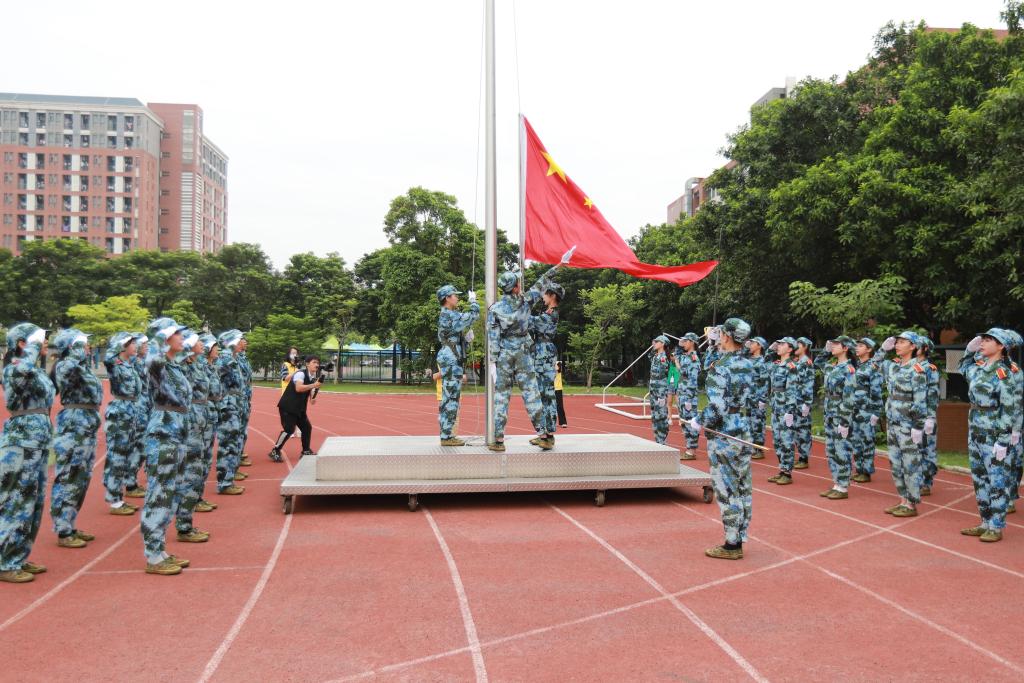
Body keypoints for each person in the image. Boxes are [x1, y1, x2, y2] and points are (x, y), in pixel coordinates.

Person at [487, 248, 572, 451]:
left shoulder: (495, 309)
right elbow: (543, 281)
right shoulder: (526, 301)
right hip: (524, 353)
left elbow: (493, 338)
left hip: (505, 353)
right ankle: (543, 433)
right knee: (532, 395)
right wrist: (559, 265)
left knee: (501, 396)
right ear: (515, 287)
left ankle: (498, 440)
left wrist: (493, 360)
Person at [687, 318, 754, 560]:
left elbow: (717, 407)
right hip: (742, 428)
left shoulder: (722, 367)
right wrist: (716, 346)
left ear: (726, 336)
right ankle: (741, 535)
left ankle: (732, 544)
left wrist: (699, 421)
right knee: (743, 486)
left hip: (724, 432)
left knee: (726, 488)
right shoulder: (747, 363)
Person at [0, 324, 54, 584]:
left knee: (32, 502)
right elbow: (23, 370)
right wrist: (31, 346)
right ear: (23, 344)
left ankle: (18, 554)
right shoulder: (14, 369)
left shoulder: (35, 372)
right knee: (16, 502)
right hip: (21, 443)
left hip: (38, 442)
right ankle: (5, 562)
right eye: (40, 341)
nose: (45, 344)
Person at [958, 328, 1022, 542]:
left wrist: (1004, 440)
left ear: (1001, 346)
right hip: (976, 431)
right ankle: (985, 521)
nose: (982, 343)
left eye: (988, 340)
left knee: (997, 480)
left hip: (995, 432)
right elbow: (963, 367)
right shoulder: (979, 368)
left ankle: (996, 526)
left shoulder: (1004, 373)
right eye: (982, 339)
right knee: (979, 479)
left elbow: (1010, 408)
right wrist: (969, 350)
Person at [139, 317, 192, 575]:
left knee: (170, 493)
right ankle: (153, 555)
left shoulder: (173, 365)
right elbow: (151, 360)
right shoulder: (157, 363)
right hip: (164, 432)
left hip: (177, 431)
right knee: (159, 494)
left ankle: (160, 550)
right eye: (177, 334)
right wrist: (158, 337)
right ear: (165, 338)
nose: (183, 338)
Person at [50, 328, 103, 548]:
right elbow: (68, 367)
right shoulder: (66, 365)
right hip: (74, 424)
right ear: (73, 347)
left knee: (81, 477)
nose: (88, 348)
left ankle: (70, 523)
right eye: (83, 344)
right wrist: (73, 352)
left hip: (86, 423)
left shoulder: (80, 366)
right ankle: (63, 530)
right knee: (69, 476)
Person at [872, 331, 929, 517]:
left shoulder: (918, 370)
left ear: (913, 347)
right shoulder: (894, 367)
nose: (897, 345)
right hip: (893, 422)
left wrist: (918, 427)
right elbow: (873, 365)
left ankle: (911, 504)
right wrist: (882, 349)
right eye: (896, 342)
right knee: (895, 463)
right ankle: (903, 499)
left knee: (910, 464)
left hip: (908, 424)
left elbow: (920, 402)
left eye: (902, 342)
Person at [173, 331, 212, 544]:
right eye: (198, 341)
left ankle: (186, 522)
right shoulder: (181, 367)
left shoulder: (196, 364)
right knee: (188, 473)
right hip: (188, 423)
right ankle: (183, 525)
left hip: (199, 421)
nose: (203, 344)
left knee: (196, 471)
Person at [814, 336, 859, 500]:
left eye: (836, 344)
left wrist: (845, 421)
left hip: (841, 414)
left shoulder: (849, 370)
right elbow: (817, 363)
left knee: (842, 449)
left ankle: (842, 486)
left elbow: (849, 398)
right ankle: (836, 483)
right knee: (831, 450)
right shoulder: (833, 366)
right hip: (829, 413)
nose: (832, 346)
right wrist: (826, 351)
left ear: (845, 348)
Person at [102, 332, 142, 516]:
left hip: (131, 409)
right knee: (116, 456)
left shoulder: (129, 364)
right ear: (123, 346)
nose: (136, 346)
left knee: (126, 454)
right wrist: (119, 342)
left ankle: (119, 496)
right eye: (132, 343)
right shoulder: (114, 363)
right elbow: (108, 357)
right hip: (120, 411)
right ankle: (114, 500)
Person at [436, 284, 479, 446]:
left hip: (451, 355)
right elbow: (473, 315)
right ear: (447, 298)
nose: (457, 297)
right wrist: (473, 302)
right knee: (452, 397)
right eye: (454, 295)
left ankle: (446, 434)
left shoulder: (448, 315)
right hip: (452, 358)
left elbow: (453, 335)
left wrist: (465, 340)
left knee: (450, 396)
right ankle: (447, 436)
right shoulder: (449, 315)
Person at [269, 355, 323, 460]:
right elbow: (298, 388)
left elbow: (310, 392)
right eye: (314, 362)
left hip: (300, 408)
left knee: (307, 428)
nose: (316, 365)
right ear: (307, 364)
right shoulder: (300, 374)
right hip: (288, 406)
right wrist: (314, 385)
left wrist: (313, 397)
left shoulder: (312, 377)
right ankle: (275, 450)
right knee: (289, 430)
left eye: (317, 363)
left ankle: (305, 450)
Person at [530, 281, 563, 448]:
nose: (542, 297)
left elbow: (531, 322)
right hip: (540, 353)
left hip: (545, 354)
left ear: (552, 296)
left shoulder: (551, 314)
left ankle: (548, 436)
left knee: (547, 395)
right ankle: (544, 433)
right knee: (542, 395)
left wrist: (519, 309)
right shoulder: (548, 312)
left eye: (544, 294)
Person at [215, 329, 246, 495]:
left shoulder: (233, 358)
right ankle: (224, 482)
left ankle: (228, 479)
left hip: (235, 403)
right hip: (228, 404)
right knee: (228, 442)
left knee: (234, 441)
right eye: (240, 339)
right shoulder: (226, 358)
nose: (243, 342)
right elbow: (219, 381)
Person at [767, 337, 800, 485]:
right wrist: (770, 349)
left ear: (790, 349)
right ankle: (781, 469)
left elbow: (792, 390)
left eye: (782, 344)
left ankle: (787, 472)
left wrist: (790, 411)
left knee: (786, 440)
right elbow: (764, 363)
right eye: (778, 344)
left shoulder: (791, 367)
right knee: (777, 440)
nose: (779, 346)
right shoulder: (777, 365)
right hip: (775, 407)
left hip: (785, 408)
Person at [194, 334, 221, 513]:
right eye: (214, 347)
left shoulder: (210, 366)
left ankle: (198, 497)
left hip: (209, 410)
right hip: (198, 412)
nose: (217, 350)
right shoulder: (199, 366)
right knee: (197, 459)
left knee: (205, 457)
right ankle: (193, 499)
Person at [851, 337, 883, 482]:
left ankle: (867, 471)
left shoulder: (873, 366)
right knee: (856, 440)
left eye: (861, 346)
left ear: (869, 349)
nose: (857, 348)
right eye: (857, 345)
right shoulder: (857, 365)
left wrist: (876, 412)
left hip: (866, 409)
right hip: (855, 408)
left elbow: (876, 390)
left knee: (867, 440)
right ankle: (859, 468)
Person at [124, 334, 150, 499]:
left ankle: (131, 481)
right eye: (144, 344)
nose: (147, 347)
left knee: (141, 447)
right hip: (139, 409)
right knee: (138, 446)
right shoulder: (135, 362)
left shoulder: (141, 361)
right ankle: (130, 483)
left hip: (146, 406)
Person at [917, 337, 940, 496]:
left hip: (925, 414)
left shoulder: (929, 368)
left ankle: (926, 481)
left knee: (927, 449)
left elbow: (933, 394)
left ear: (925, 348)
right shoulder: (908, 366)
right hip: (911, 415)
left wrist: (930, 417)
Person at [744, 336, 770, 461]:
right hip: (748, 397)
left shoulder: (762, 362)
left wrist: (762, 400)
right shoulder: (748, 360)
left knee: (758, 423)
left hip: (757, 398)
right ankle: (751, 446)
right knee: (748, 423)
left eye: (753, 343)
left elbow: (764, 382)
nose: (750, 345)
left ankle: (759, 449)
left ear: (759, 346)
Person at [676, 332, 702, 460]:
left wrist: (688, 399)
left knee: (691, 422)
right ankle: (688, 448)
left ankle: (691, 450)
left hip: (688, 396)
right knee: (684, 422)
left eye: (686, 341)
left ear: (692, 342)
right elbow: (682, 371)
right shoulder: (685, 356)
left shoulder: (693, 358)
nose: (684, 343)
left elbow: (692, 379)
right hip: (682, 394)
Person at [792, 337, 815, 470]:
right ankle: (800, 455)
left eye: (798, 344)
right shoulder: (796, 362)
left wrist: (807, 403)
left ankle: (804, 458)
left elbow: (809, 384)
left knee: (803, 430)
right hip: (794, 401)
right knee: (796, 429)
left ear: (805, 347)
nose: (796, 347)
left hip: (802, 402)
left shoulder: (807, 362)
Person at [648, 335, 673, 445]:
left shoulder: (664, 357)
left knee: (661, 415)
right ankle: (658, 440)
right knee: (654, 415)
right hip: (653, 390)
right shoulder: (655, 356)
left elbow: (668, 374)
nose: (654, 343)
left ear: (662, 344)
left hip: (660, 391)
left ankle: (662, 441)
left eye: (657, 341)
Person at [235, 336, 253, 474]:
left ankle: (239, 454)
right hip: (236, 398)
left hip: (244, 396)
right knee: (237, 431)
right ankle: (236, 457)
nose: (245, 342)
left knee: (243, 429)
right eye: (242, 339)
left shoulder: (243, 357)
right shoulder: (232, 359)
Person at [554, 360, 568, 427]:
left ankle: (563, 422)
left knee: (560, 406)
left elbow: (557, 369)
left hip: (558, 389)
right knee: (550, 407)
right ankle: (551, 422)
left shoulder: (558, 363)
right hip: (549, 389)